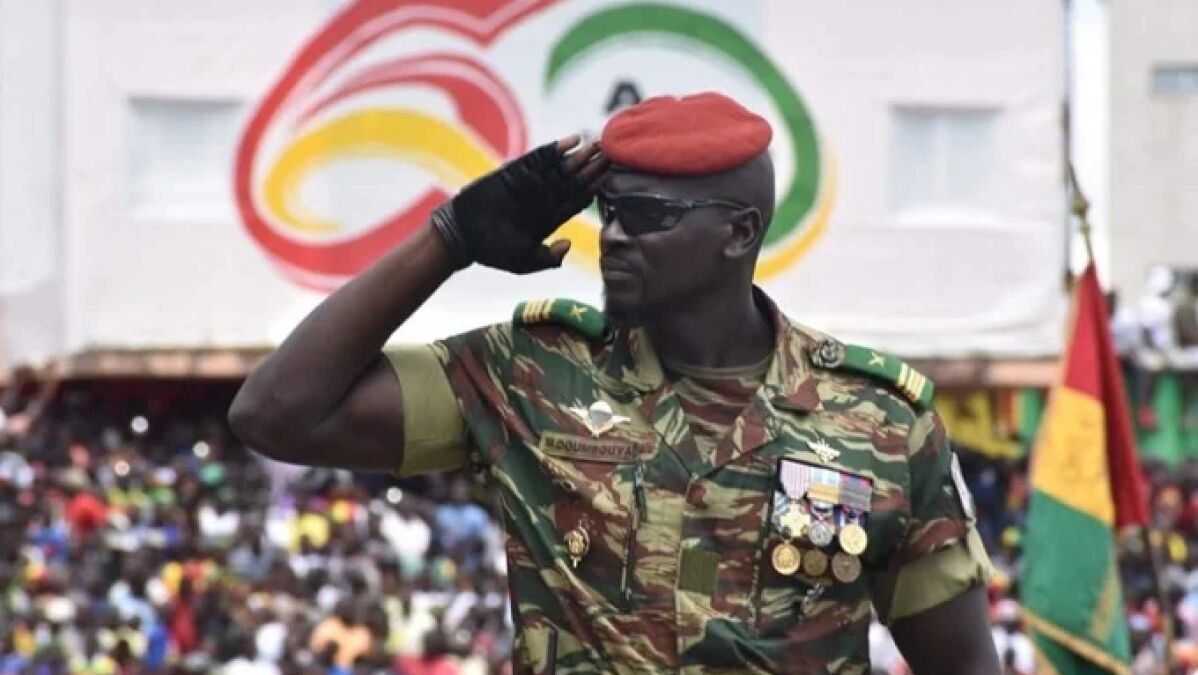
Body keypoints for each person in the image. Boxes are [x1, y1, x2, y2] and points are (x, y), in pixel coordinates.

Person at [230, 91, 999, 673]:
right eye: (609, 211)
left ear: (739, 232)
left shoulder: (879, 422)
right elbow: (276, 411)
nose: (617, 235)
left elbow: (961, 662)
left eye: (649, 215)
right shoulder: (533, 373)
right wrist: (450, 237)